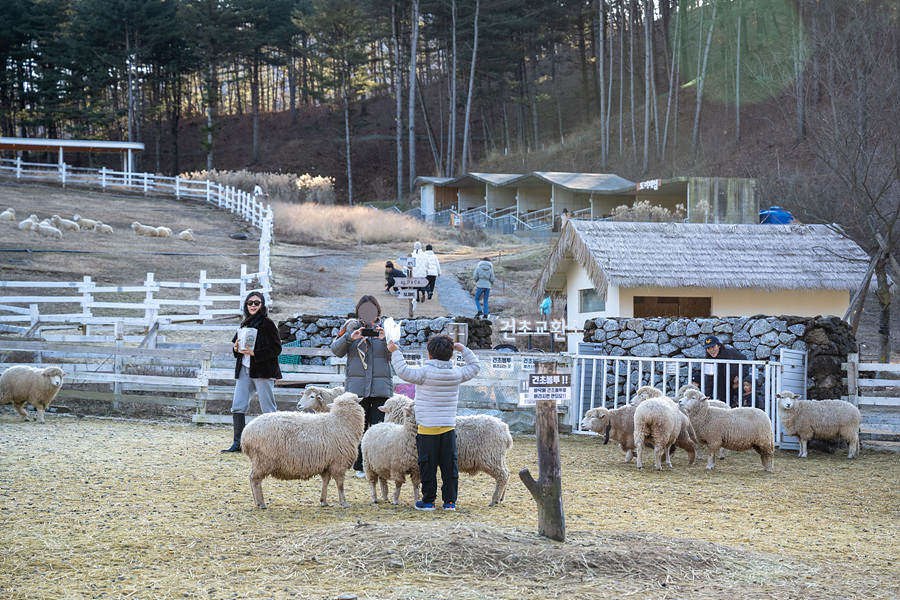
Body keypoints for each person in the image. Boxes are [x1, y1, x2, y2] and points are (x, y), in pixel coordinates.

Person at [387, 334, 480, 511]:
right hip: (448, 427)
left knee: (427, 465)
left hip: (426, 428)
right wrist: (463, 349)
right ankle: (450, 502)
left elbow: (403, 371)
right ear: (451, 355)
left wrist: (396, 352)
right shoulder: (456, 373)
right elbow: (475, 366)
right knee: (449, 465)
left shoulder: (424, 373)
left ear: (429, 354)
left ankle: (428, 501)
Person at [331, 295, 394, 477]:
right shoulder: (350, 326)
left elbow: (396, 356)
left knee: (379, 428)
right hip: (357, 388)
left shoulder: (387, 328)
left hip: (380, 386)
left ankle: (377, 466)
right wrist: (350, 338)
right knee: (357, 427)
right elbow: (336, 351)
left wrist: (384, 339)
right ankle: (359, 466)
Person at [222, 291, 282, 453]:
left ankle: (274, 445)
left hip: (263, 370)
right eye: (250, 303)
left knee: (268, 408)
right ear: (246, 305)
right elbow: (237, 347)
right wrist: (235, 349)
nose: (253, 305)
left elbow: (276, 348)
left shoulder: (267, 323)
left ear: (262, 305)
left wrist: (255, 353)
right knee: (238, 405)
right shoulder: (244, 323)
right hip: (244, 369)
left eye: (256, 303)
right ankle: (238, 443)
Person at [691, 335, 748, 404]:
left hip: (736, 387)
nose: (711, 350)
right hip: (721, 390)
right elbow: (709, 380)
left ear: (719, 345)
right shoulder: (709, 361)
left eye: (713, 347)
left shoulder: (732, 353)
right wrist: (708, 397)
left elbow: (745, 363)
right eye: (708, 348)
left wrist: (740, 378)